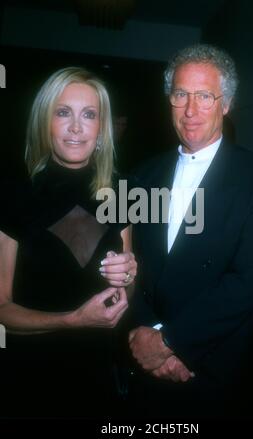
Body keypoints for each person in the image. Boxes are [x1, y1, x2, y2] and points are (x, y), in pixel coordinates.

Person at [128, 44, 253, 418]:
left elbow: (250, 280)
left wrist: (172, 343)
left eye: (204, 96)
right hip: (142, 360)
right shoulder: (141, 174)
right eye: (181, 94)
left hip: (211, 368)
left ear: (226, 103)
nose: (190, 110)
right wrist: (144, 334)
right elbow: (129, 263)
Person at [0, 67, 137, 418]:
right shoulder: (13, 194)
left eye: (89, 115)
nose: (76, 127)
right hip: (31, 376)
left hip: (98, 373)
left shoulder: (121, 192)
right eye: (63, 113)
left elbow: (125, 289)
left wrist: (128, 280)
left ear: (101, 129)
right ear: (44, 122)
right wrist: (72, 320)